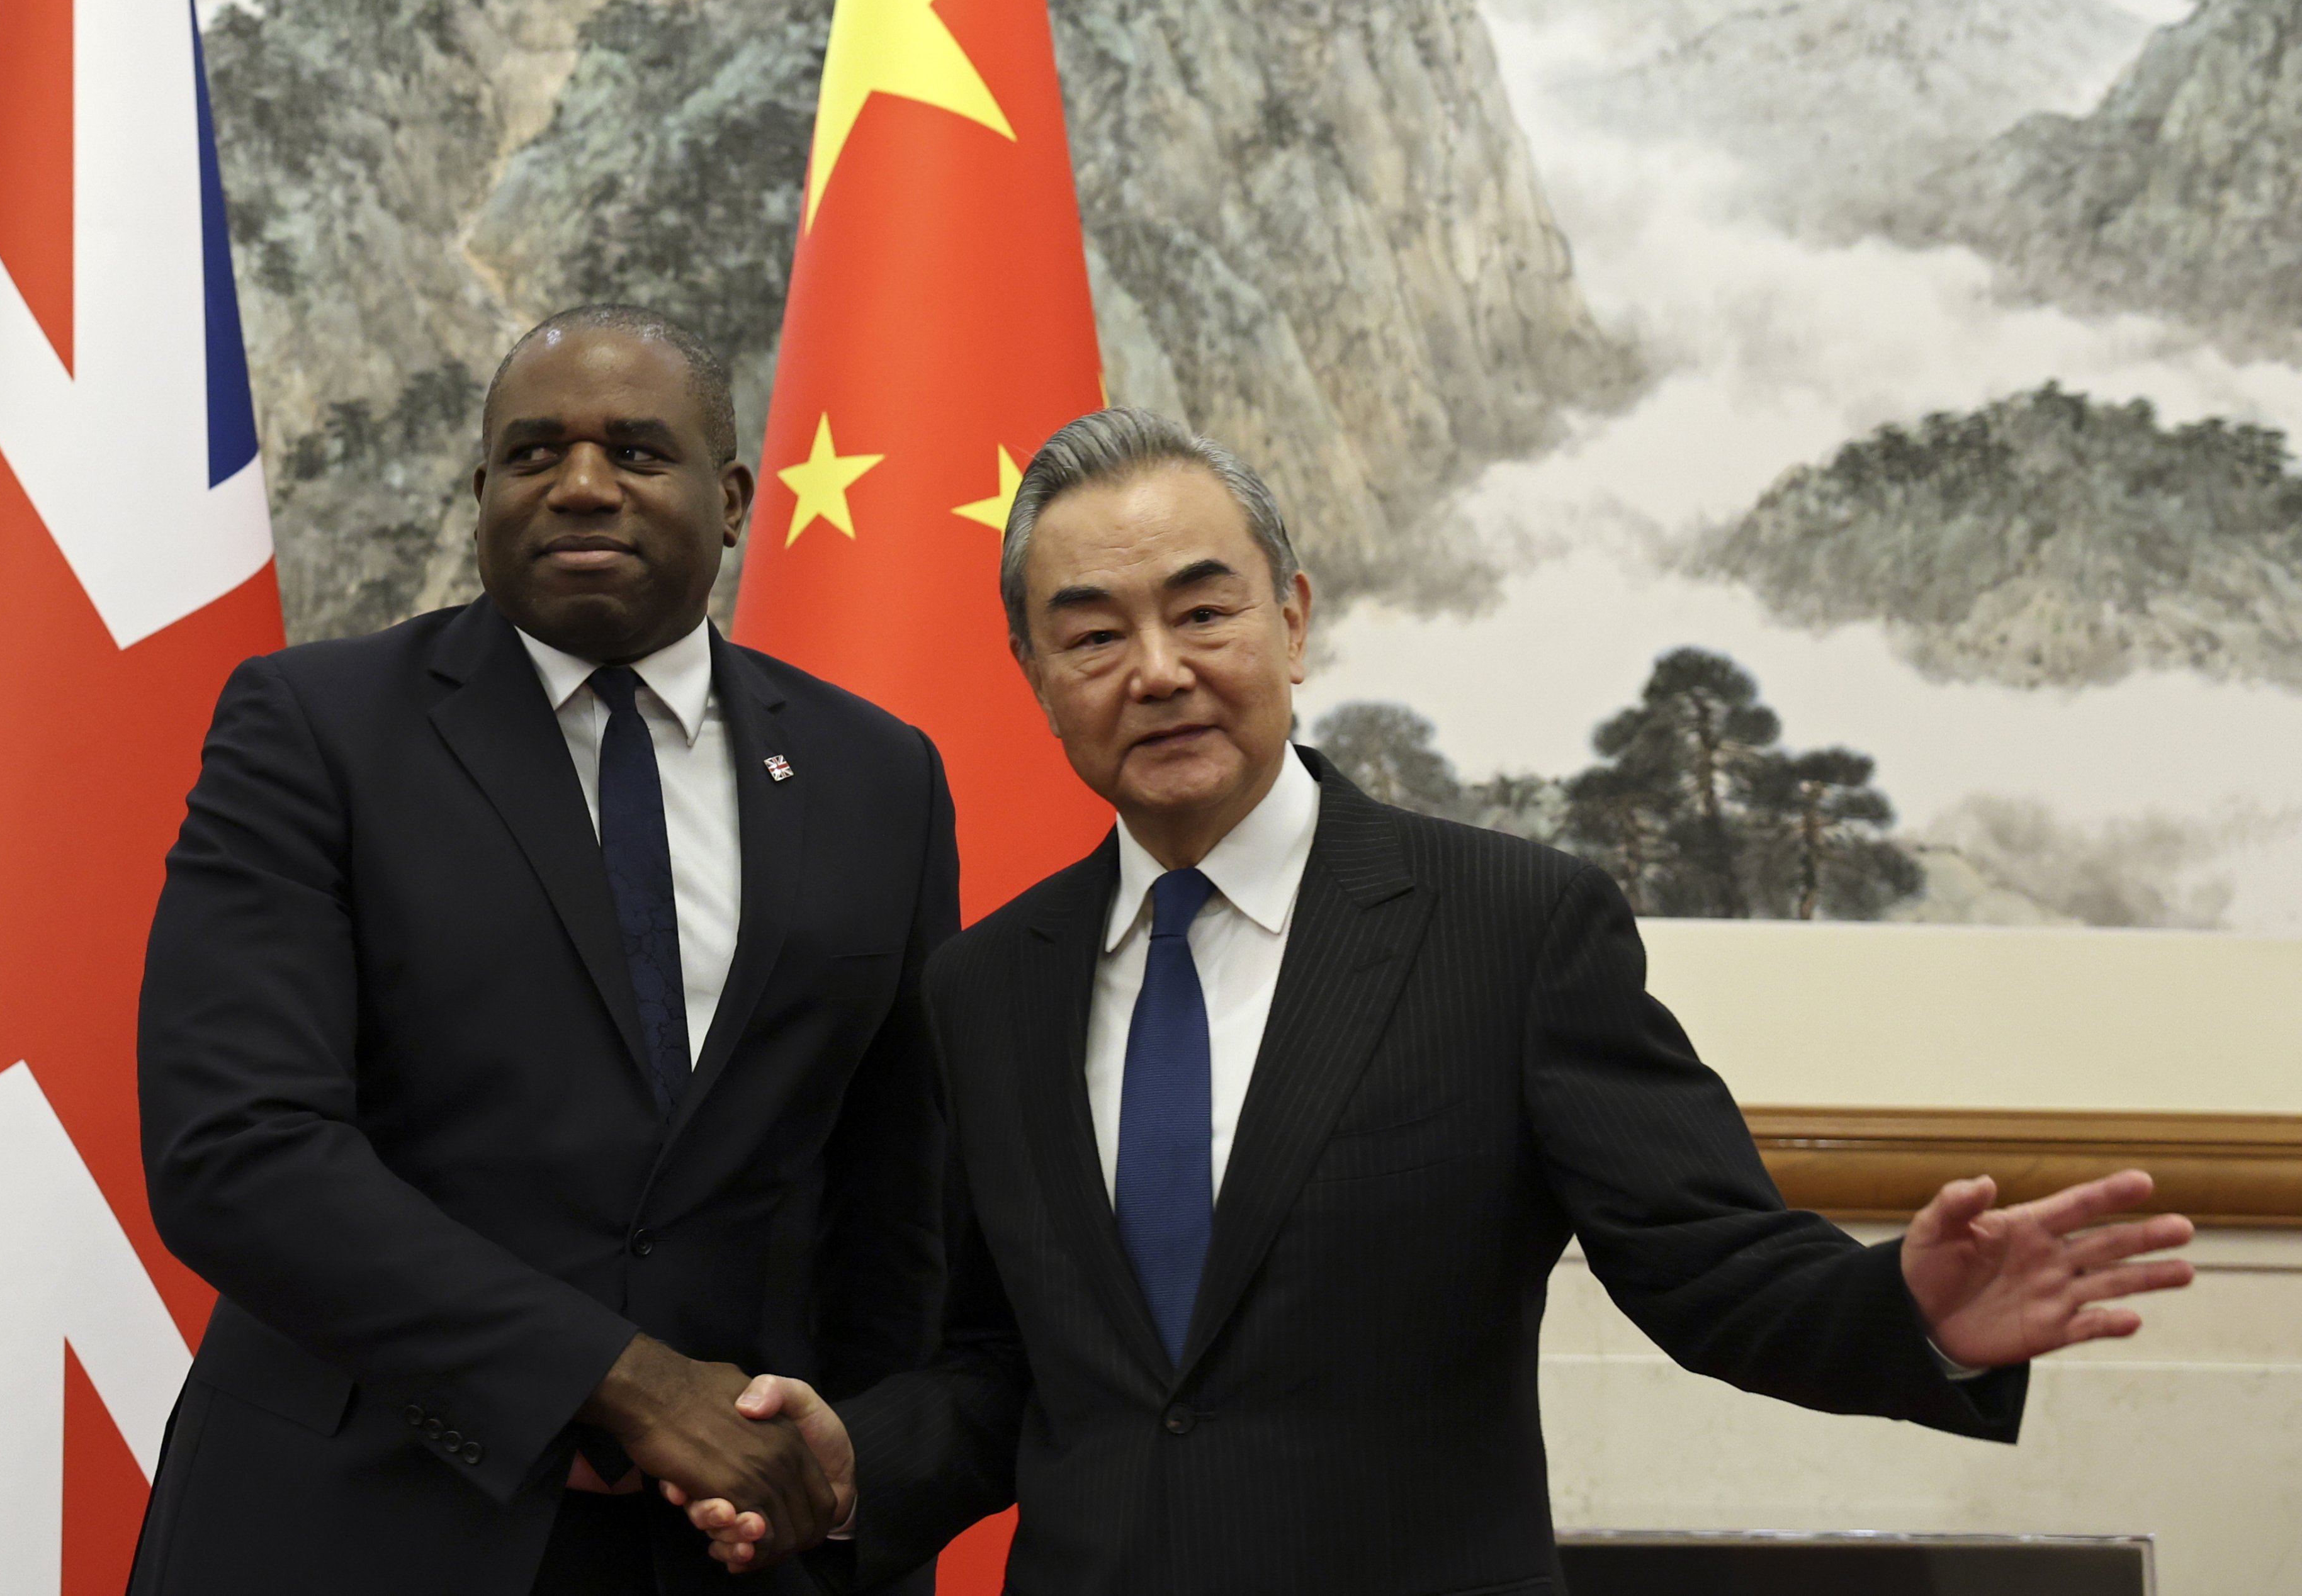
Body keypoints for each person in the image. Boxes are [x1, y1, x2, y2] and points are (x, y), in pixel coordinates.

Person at [674, 407, 2198, 1595]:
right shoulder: (984, 986)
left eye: (1203, 613)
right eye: (1091, 633)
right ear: (1031, 670)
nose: (1156, 670)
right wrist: (849, 1456)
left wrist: (1910, 1316)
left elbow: (1707, 1264)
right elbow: (1015, 1366)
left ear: (1292, 619)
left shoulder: (1508, 929)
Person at [128, 306, 957, 1595]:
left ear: (729, 497)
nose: (579, 485)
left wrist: (843, 1495)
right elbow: (236, 1151)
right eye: (531, 455)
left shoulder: (878, 775)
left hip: (733, 1548)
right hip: (362, 1525)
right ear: (479, 494)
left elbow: (896, 1198)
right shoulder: (313, 730)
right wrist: (624, 1382)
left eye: (635, 451)